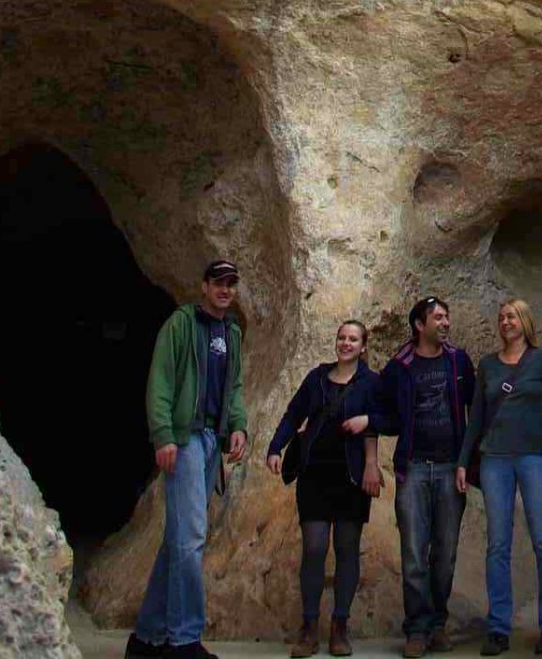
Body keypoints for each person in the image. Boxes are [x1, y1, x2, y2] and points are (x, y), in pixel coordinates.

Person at [125, 260, 248, 659]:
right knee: (192, 537)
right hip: (185, 438)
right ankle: (184, 641)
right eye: (218, 283)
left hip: (213, 438)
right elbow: (159, 381)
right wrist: (163, 435)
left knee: (178, 540)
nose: (225, 290)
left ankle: (145, 639)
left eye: (231, 284)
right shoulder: (180, 325)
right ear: (204, 285)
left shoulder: (232, 332)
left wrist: (238, 425)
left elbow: (236, 386)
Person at [456, 300, 542, 657]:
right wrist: (462, 461)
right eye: (502, 317)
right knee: (498, 544)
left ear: (525, 322)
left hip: (535, 456)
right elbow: (476, 419)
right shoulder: (487, 365)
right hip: (495, 459)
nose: (506, 322)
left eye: (512, 316)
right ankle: (498, 628)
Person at [267, 320, 383, 658]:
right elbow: (293, 413)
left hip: (351, 477)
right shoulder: (317, 377)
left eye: (353, 339)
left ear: (363, 346)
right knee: (315, 549)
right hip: (314, 475)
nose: (346, 343)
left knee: (347, 550)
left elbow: (386, 419)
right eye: (341, 338)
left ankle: (340, 626)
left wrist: (370, 432)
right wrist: (275, 447)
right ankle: (309, 626)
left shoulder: (371, 383)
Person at [371, 297, 475, 659]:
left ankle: (438, 624)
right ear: (420, 324)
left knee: (444, 554)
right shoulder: (401, 366)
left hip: (450, 468)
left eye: (447, 317)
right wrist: (371, 425)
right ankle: (416, 629)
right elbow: (381, 407)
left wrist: (468, 461)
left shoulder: (458, 360)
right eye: (438, 317)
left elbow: (473, 411)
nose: (445, 323)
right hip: (413, 468)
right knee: (414, 553)